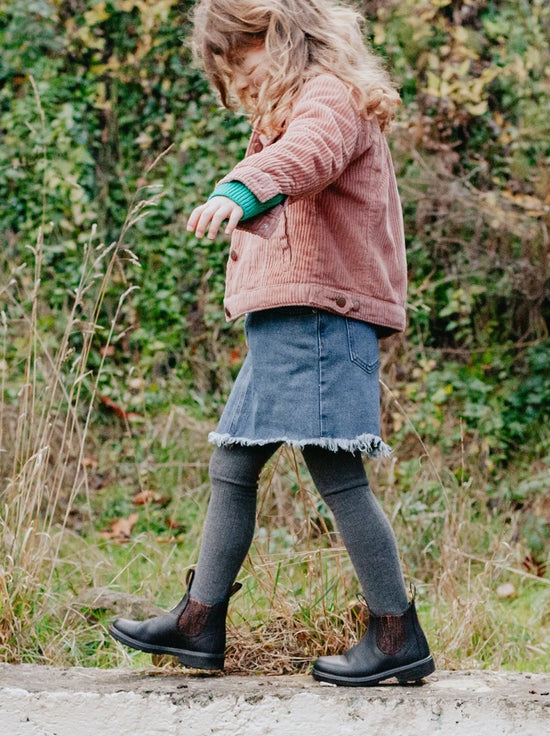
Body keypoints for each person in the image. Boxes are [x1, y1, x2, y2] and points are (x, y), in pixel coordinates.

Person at [109, 0, 435, 686]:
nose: (238, 77)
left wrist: (241, 187)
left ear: (277, 38)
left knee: (337, 476)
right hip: (289, 320)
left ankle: (396, 631)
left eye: (239, 58)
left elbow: (307, 157)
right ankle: (199, 622)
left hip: (317, 317)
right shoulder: (299, 105)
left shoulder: (327, 98)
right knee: (233, 462)